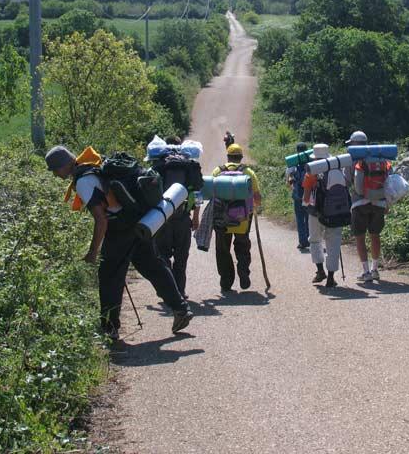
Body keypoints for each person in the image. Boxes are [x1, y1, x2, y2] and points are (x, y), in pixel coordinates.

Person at [46, 145, 193, 340]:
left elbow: (101, 219)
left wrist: (93, 252)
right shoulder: (94, 164)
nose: (55, 175)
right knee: (153, 266)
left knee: (109, 275)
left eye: (55, 170)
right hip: (139, 220)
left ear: (63, 166)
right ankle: (181, 309)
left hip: (120, 228)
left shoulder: (83, 181)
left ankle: (109, 329)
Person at [150, 137, 202, 300]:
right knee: (181, 257)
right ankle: (180, 291)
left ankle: (168, 290)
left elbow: (149, 193)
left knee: (163, 255)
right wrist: (195, 217)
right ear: (181, 147)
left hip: (162, 218)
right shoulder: (189, 165)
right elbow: (198, 193)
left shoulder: (159, 165)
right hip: (183, 217)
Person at [212, 143, 262, 292]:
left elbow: (211, 194)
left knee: (222, 250)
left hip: (222, 220)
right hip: (242, 218)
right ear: (241, 157)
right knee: (243, 246)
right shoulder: (248, 172)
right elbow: (257, 198)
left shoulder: (217, 171)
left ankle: (226, 281)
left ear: (228, 157)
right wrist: (253, 206)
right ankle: (243, 272)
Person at [345, 130, 391, 282]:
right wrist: (387, 202)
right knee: (375, 235)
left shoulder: (352, 159)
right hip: (379, 201)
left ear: (354, 143)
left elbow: (346, 181)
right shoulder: (381, 158)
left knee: (360, 237)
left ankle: (366, 272)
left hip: (359, 202)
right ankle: (375, 269)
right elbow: (390, 181)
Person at [303, 143, 347, 288]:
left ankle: (320, 271)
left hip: (316, 213)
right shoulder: (338, 169)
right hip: (336, 212)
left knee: (315, 240)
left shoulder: (311, 172)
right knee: (333, 242)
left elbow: (306, 197)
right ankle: (331, 278)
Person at [287, 141, 310, 252]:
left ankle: (302, 242)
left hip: (297, 196)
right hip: (310, 195)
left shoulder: (293, 162)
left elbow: (289, 179)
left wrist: (293, 189)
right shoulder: (311, 161)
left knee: (300, 219)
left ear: (297, 151)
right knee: (309, 218)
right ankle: (310, 239)